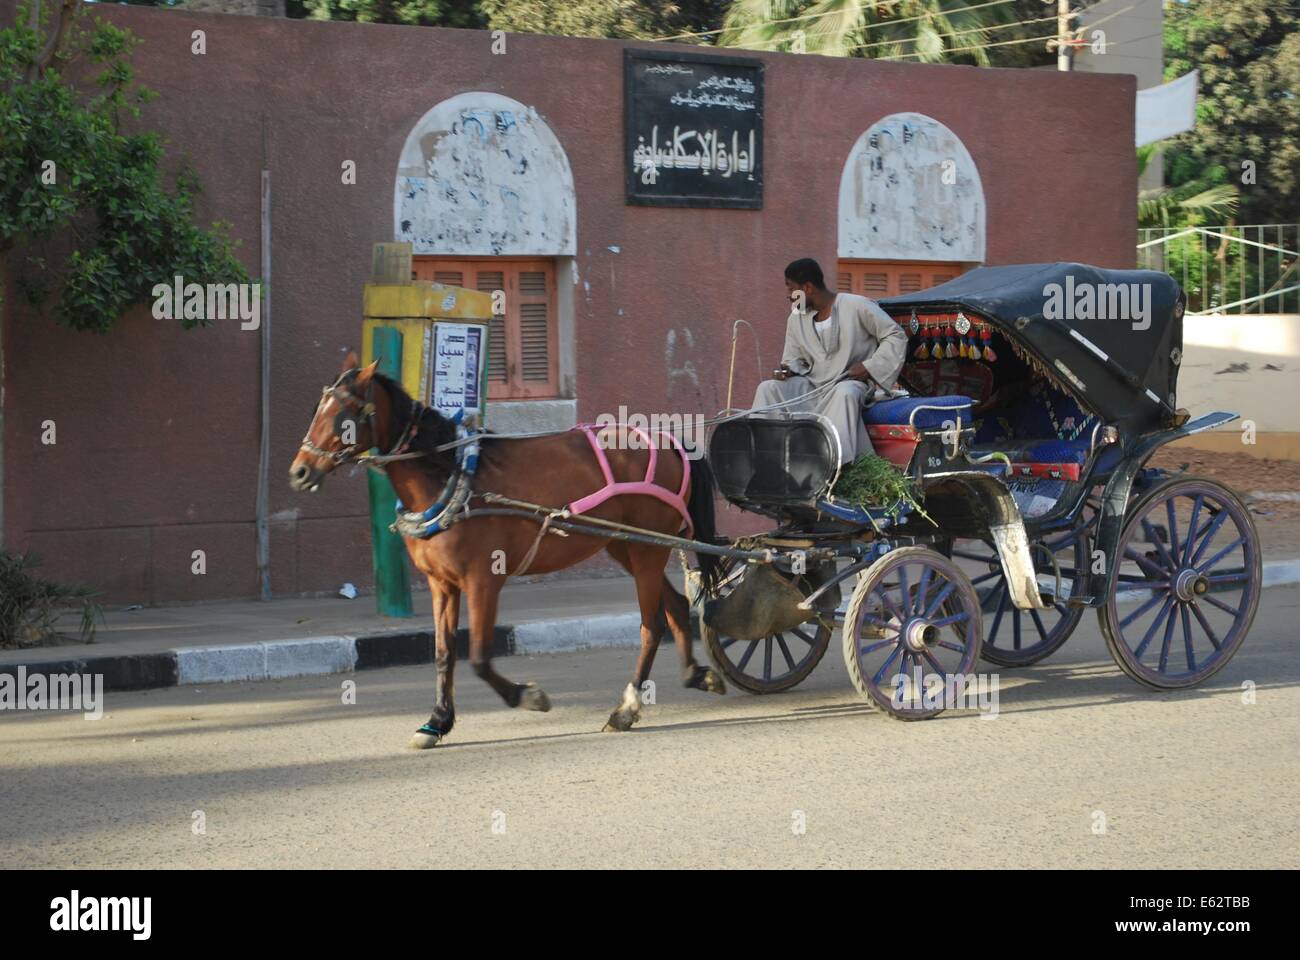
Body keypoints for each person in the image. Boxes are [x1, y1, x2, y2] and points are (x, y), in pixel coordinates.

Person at [753, 258, 909, 464]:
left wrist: (870, 367)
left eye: (791, 289)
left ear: (807, 287)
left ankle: (832, 465)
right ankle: (765, 458)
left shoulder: (856, 305)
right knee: (768, 388)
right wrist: (788, 370)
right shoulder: (795, 318)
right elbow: (794, 360)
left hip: (848, 384)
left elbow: (895, 335)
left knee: (845, 392)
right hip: (813, 387)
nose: (789, 296)